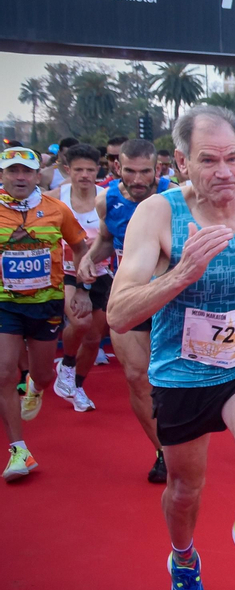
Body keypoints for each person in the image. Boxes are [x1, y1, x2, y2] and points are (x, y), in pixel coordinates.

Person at [106, 106, 235, 590]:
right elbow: (119, 313)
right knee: (185, 491)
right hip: (183, 371)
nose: (225, 172)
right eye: (208, 160)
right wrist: (182, 274)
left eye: (233, 158)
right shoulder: (160, 215)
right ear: (183, 163)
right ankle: (183, 561)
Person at [0, 146, 94, 480]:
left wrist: (81, 285)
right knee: (3, 373)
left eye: (26, 171)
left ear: (37, 175)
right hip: (4, 304)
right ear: (3, 175)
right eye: (13, 171)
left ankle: (36, 386)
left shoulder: (56, 209)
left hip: (46, 303)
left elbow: (81, 246)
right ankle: (18, 451)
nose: (20, 178)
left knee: (43, 375)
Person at [82, 138, 170, 482]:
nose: (137, 179)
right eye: (129, 171)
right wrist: (90, 259)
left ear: (158, 170)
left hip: (169, 299)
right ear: (117, 167)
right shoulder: (108, 200)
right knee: (136, 376)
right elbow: (106, 239)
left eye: (144, 171)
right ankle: (162, 451)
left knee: (171, 380)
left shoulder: (174, 196)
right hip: (129, 297)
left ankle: (182, 438)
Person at [50, 144, 114, 412]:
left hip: (101, 273)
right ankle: (66, 362)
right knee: (80, 321)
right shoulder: (55, 198)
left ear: (98, 170)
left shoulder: (107, 197)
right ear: (68, 170)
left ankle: (76, 385)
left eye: (90, 169)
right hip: (66, 272)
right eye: (79, 170)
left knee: (93, 337)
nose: (85, 175)